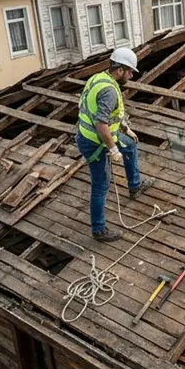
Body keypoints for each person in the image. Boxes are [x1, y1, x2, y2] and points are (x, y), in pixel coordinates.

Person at [75, 47, 153, 242]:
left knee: (130, 145)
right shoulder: (109, 91)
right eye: (130, 72)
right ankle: (98, 229)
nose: (131, 76)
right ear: (120, 70)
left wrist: (125, 129)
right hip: (94, 142)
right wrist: (113, 149)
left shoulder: (100, 78)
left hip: (100, 135)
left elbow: (112, 113)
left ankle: (135, 186)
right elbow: (101, 124)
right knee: (101, 185)